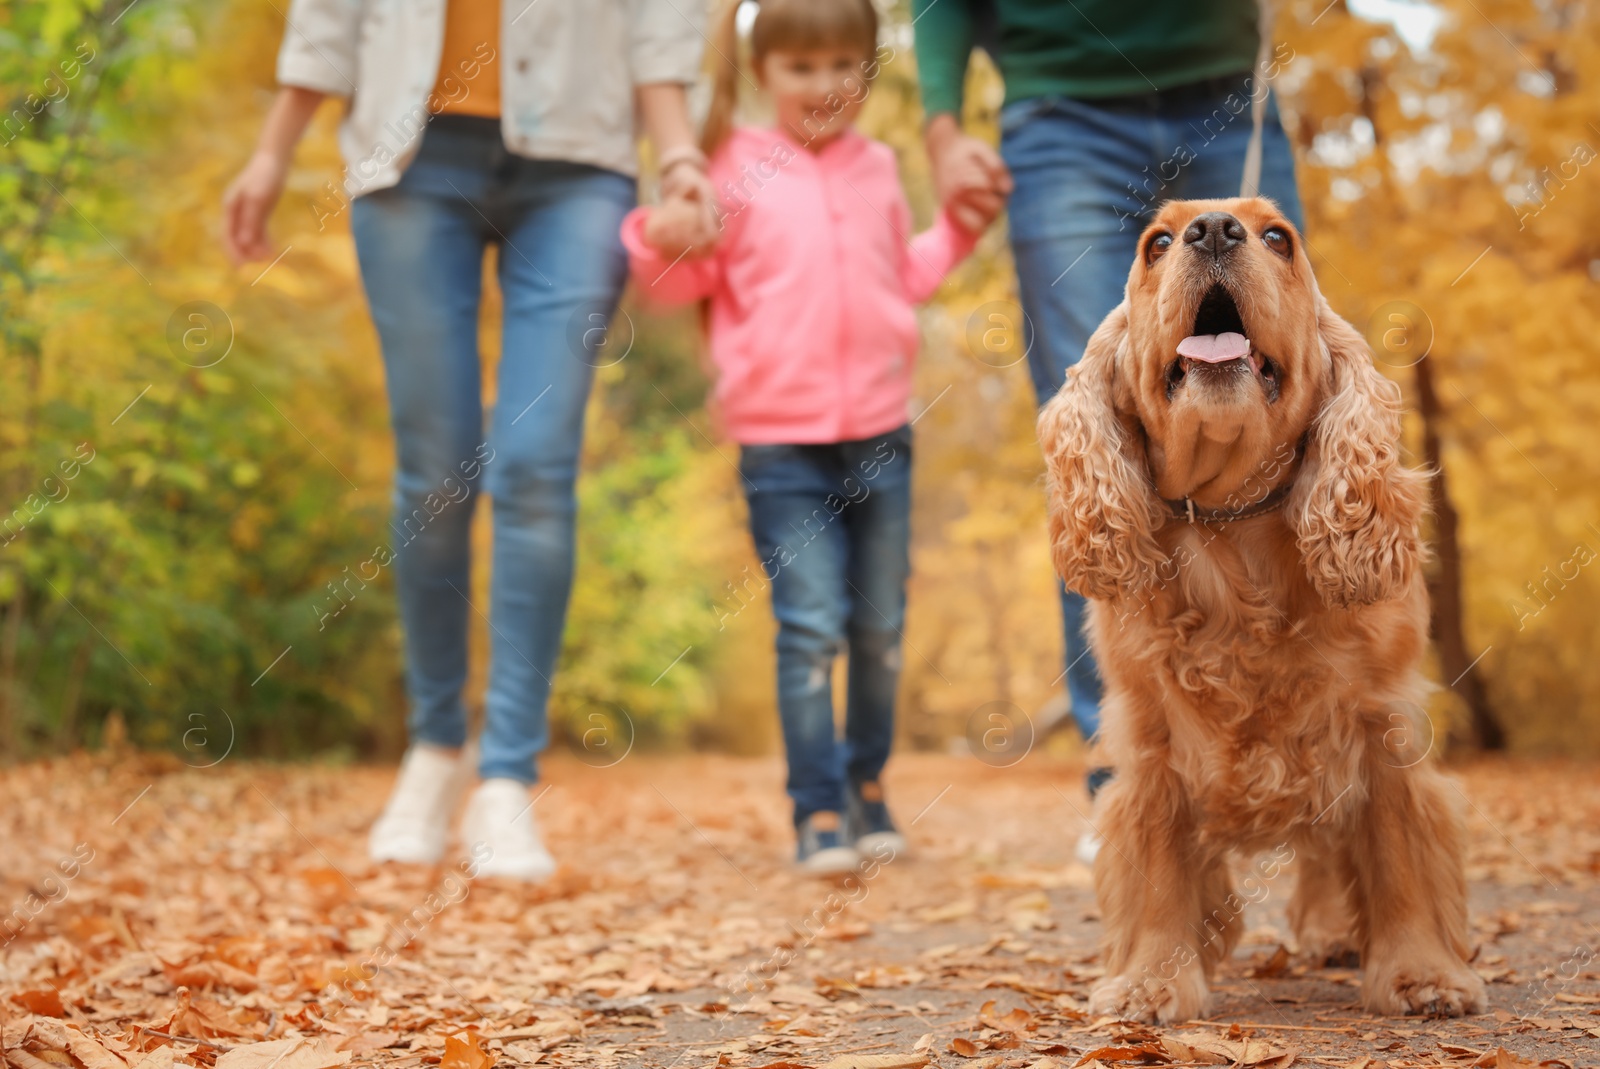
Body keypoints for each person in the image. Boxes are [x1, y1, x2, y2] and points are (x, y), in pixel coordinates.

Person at [222, 0, 714, 881]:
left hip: (579, 162)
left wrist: (678, 158)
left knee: (535, 466)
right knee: (436, 472)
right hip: (410, 157)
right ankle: (435, 747)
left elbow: (660, 17)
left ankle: (506, 777)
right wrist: (272, 150)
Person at [910, 0, 1306, 862]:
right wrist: (942, 126)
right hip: (1061, 117)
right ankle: (1135, 787)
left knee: (1288, 391)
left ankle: (1321, 760)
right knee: (1097, 429)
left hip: (1230, 95)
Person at [622, 0, 996, 874]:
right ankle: (816, 809)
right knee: (811, 626)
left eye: (843, 65)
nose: (824, 85)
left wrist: (965, 225)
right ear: (763, 73)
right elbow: (680, 281)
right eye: (800, 67)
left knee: (879, 629)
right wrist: (656, 234)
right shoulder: (731, 169)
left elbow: (904, 277)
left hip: (881, 435)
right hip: (780, 446)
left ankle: (868, 788)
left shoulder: (879, 165)